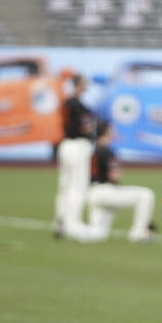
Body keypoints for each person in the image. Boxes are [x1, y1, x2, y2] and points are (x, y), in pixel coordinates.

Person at [84, 120, 155, 243]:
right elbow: (114, 176)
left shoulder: (94, 149)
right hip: (105, 192)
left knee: (97, 235)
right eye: (112, 129)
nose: (114, 131)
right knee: (146, 195)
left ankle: (67, 228)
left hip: (92, 192)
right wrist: (119, 172)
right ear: (106, 132)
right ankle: (138, 233)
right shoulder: (107, 151)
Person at [54, 74, 95, 239]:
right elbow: (85, 128)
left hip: (65, 145)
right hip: (78, 145)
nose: (87, 85)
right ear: (79, 84)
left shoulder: (66, 103)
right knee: (78, 186)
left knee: (65, 185)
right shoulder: (79, 105)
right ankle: (73, 224)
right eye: (85, 83)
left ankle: (60, 223)